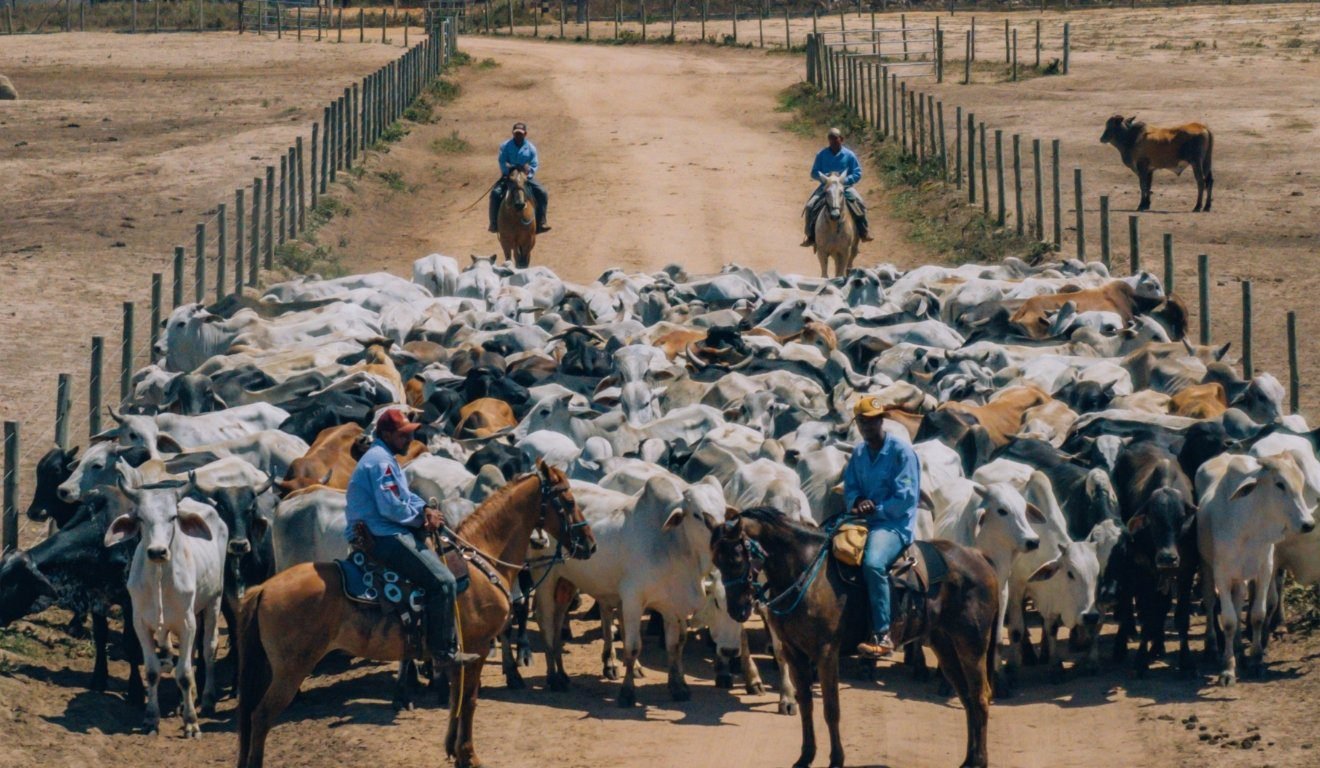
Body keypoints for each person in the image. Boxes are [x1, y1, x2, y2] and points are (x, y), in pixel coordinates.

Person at [345, 409, 479, 666]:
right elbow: (392, 508)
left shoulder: (384, 457)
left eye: (409, 434)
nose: (409, 439)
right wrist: (422, 519)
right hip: (383, 535)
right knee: (444, 582)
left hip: (383, 529)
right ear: (386, 434)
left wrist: (426, 509)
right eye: (403, 435)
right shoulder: (382, 462)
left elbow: (404, 496)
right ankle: (442, 652)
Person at [843, 396, 920, 659]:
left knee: (873, 564)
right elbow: (850, 487)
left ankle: (883, 633)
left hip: (893, 525)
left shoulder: (902, 452)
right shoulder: (859, 453)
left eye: (874, 420)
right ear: (858, 424)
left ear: (881, 421)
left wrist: (873, 508)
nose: (869, 426)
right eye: (864, 421)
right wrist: (857, 501)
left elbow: (905, 498)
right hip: (861, 521)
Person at [801, 127, 873, 247]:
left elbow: (857, 173)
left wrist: (845, 180)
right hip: (827, 187)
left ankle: (864, 232)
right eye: (831, 139)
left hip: (844, 187)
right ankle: (810, 235)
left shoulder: (849, 155)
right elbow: (814, 172)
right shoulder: (821, 155)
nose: (833, 142)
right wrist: (825, 178)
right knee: (810, 206)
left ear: (841, 139)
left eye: (836, 139)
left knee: (859, 203)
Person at [489, 121, 551, 234]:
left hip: (525, 176)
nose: (518, 135)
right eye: (516, 133)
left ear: (525, 134)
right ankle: (494, 223)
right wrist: (509, 170)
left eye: (520, 133)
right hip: (509, 176)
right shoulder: (505, 146)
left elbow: (534, 164)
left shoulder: (531, 148)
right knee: (495, 193)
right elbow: (502, 161)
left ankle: (541, 222)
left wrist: (528, 173)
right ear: (513, 133)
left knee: (542, 193)